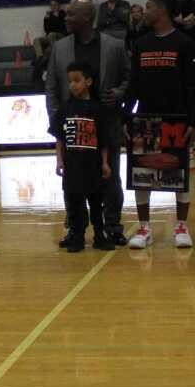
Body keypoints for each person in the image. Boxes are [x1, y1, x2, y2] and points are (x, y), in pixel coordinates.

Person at [46, 0, 130, 246]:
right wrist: (58, 119)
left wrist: (119, 93)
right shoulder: (59, 48)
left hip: (106, 125)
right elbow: (51, 87)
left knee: (110, 178)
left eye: (71, 14)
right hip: (73, 128)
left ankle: (112, 227)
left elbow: (129, 78)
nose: (66, 17)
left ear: (86, 18)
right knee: (72, 182)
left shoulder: (114, 46)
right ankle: (76, 230)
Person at [124, 0, 195, 250]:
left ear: (162, 10)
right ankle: (144, 228)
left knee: (179, 173)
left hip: (176, 119)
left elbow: (191, 86)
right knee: (142, 174)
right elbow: (133, 84)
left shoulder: (184, 43)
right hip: (146, 119)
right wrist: (126, 117)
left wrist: (193, 121)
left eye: (148, 7)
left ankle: (181, 226)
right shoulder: (141, 44)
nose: (144, 11)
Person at [54, 61, 116, 252]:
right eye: (70, 81)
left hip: (93, 166)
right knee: (74, 203)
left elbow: (104, 140)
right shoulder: (64, 108)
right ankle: (77, 236)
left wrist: (105, 163)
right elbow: (59, 138)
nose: (72, 85)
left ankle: (99, 235)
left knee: (96, 203)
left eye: (77, 80)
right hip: (72, 166)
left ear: (88, 82)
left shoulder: (98, 109)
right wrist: (59, 160)